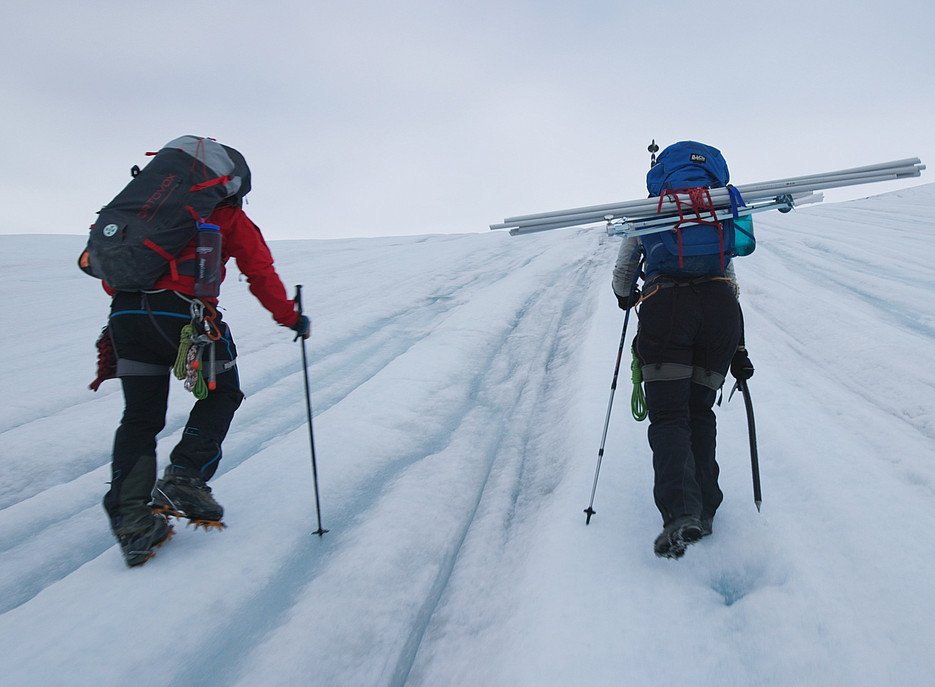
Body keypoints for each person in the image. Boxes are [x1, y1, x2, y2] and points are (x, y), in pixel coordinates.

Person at [98, 142, 310, 567]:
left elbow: (107, 271)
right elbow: (260, 272)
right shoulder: (227, 216)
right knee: (221, 392)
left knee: (140, 417)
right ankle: (185, 476)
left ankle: (133, 521)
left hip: (125, 318)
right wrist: (292, 319)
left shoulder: (144, 211)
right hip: (184, 317)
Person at [612, 196, 754, 560]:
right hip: (721, 313)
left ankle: (681, 513)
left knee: (671, 415)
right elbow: (730, 280)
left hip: (668, 308)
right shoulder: (716, 210)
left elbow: (624, 277)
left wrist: (625, 297)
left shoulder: (650, 214)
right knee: (700, 412)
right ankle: (705, 510)